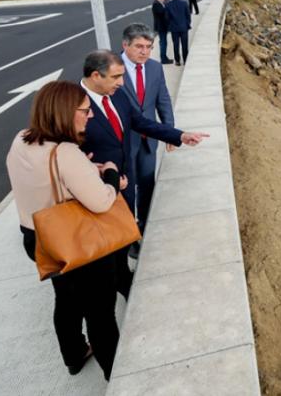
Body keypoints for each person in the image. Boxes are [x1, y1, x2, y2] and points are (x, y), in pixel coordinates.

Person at [6, 80, 126, 380]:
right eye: (85, 110)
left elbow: (46, 180)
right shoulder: (66, 153)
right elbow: (101, 202)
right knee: (100, 314)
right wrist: (112, 176)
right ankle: (117, 376)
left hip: (38, 239)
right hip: (76, 243)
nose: (91, 115)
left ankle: (73, 354)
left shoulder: (21, 140)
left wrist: (83, 171)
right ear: (64, 112)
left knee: (67, 299)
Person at [79, 50, 209, 296]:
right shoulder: (71, 104)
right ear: (96, 76)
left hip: (125, 183)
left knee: (122, 237)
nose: (121, 82)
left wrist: (179, 135)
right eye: (116, 77)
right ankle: (113, 283)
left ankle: (123, 277)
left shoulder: (116, 96)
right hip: (96, 191)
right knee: (104, 248)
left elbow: (140, 123)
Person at [119, 24, 175, 245]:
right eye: (139, 46)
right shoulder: (112, 68)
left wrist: (169, 132)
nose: (145, 51)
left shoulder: (154, 68)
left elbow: (163, 100)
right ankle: (128, 236)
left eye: (149, 47)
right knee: (126, 191)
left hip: (148, 141)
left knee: (147, 185)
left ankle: (143, 227)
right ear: (125, 45)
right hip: (123, 143)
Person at [165, 0, 192, 66]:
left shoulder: (168, 5)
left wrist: (170, 25)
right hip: (184, 27)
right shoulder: (184, 3)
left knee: (175, 45)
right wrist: (187, 24)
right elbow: (188, 15)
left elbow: (167, 18)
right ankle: (185, 60)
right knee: (185, 45)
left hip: (174, 28)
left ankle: (177, 61)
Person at [151, 0, 172, 64]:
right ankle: (163, 59)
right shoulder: (156, 4)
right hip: (161, 27)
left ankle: (165, 57)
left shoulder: (161, 3)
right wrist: (167, 7)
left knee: (164, 42)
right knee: (163, 43)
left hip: (163, 26)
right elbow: (162, 12)